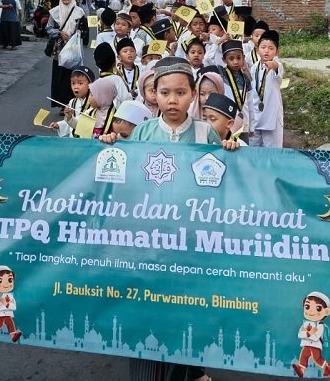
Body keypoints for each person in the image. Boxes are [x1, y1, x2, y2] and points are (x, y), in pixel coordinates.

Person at [100, 58, 237, 381]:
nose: (172, 100)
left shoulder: (206, 134)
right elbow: (124, 178)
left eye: (180, 92)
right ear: (154, 96)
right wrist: (110, 148)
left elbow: (227, 183)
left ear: (193, 95)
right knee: (145, 322)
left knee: (185, 318)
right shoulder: (144, 132)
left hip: (190, 247)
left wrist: (232, 152)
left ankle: (188, 369)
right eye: (164, 92)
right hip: (147, 247)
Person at [47, 0, 85, 107]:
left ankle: (73, 103)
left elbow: (85, 29)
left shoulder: (79, 12)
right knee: (60, 77)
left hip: (73, 48)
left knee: (73, 75)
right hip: (60, 48)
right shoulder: (54, 12)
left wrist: (79, 33)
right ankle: (62, 104)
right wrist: (59, 33)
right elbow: (48, 28)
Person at [246, 30, 285, 148]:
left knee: (272, 149)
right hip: (256, 115)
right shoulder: (254, 67)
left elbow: (278, 68)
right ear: (258, 50)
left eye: (271, 48)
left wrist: (273, 65)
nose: (266, 51)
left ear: (277, 52)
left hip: (271, 116)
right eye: (263, 47)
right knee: (254, 148)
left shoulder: (277, 66)